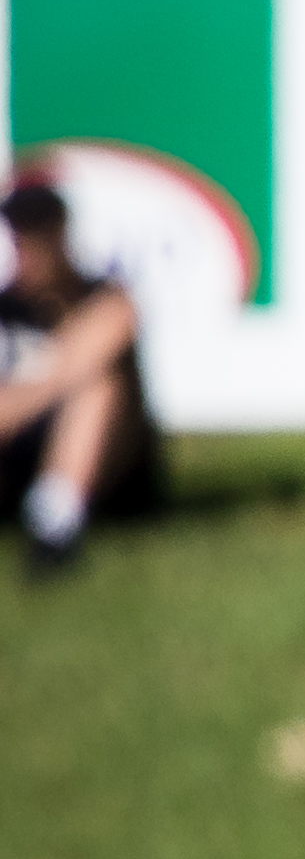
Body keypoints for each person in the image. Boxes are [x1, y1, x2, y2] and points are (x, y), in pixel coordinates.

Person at [1, 172, 161, 579]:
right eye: (20, 235)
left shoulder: (106, 299)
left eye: (38, 234)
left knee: (99, 385)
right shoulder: (6, 310)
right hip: (18, 455)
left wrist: (21, 400)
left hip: (106, 465)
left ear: (61, 234)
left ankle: (55, 522)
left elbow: (111, 329)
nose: (28, 248)